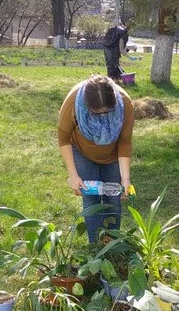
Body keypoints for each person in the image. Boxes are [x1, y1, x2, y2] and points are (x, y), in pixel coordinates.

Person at [57, 74, 134, 242]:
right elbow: (63, 138)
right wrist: (73, 175)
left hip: (113, 154)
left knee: (113, 199)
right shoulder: (73, 103)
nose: (103, 116)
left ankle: (113, 244)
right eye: (96, 112)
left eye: (108, 112)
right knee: (91, 200)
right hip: (82, 152)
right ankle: (95, 246)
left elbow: (125, 141)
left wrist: (125, 178)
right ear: (86, 105)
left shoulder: (125, 103)